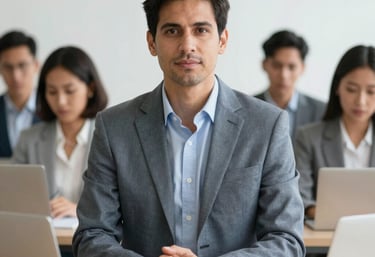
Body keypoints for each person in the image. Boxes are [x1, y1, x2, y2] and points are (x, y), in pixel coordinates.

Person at [73, 1, 305, 257]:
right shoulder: (114, 127)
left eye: (201, 30)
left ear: (222, 40)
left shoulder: (267, 125)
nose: (187, 46)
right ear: (152, 42)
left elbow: (286, 239)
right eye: (172, 31)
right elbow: (92, 234)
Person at [11, 46, 108, 218]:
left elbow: (123, 207)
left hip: (94, 242)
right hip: (42, 239)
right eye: (52, 92)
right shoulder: (29, 139)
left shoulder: (111, 137)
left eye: (69, 91)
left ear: (90, 89)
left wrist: (79, 210)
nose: (61, 101)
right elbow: (13, 200)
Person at [295, 45, 375, 219]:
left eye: (371, 92)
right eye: (352, 89)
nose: (361, 101)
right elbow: (300, 198)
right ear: (338, 87)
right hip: (325, 238)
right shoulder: (308, 138)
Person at [255, 30, 326, 140]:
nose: (284, 75)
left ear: (302, 68)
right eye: (277, 66)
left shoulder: (321, 112)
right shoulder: (247, 108)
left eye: (291, 67)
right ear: (264, 65)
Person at [0, 30, 40, 157]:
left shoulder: (53, 110)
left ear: (36, 65)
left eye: (22, 65)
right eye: (8, 67)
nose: (16, 76)